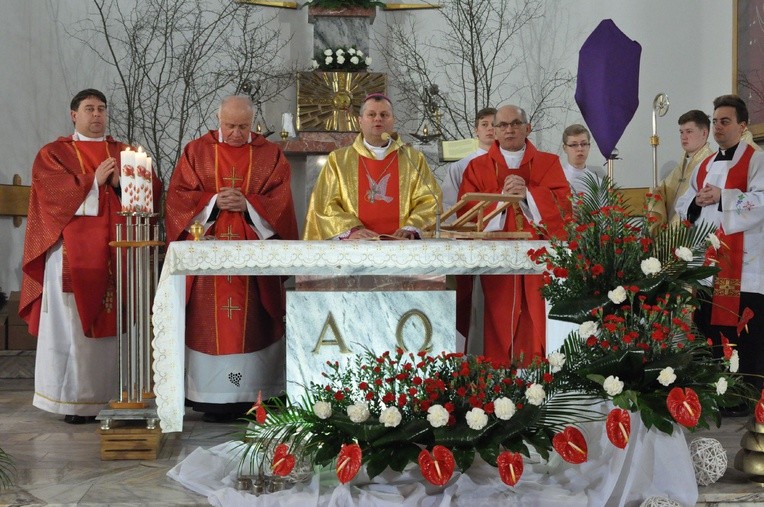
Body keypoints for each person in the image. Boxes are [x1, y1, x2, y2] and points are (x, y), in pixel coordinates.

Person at [19, 89, 162, 424]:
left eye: (101, 109)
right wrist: (92, 181)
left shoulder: (124, 152)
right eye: (89, 109)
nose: (96, 115)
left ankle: (118, 396)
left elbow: (149, 195)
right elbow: (50, 196)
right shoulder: (53, 153)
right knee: (70, 330)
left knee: (120, 325)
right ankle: (72, 402)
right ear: (74, 114)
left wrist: (118, 183)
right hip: (71, 255)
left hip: (121, 254)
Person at [165, 95, 298, 422]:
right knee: (209, 322)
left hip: (252, 260)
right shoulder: (197, 152)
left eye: (243, 126)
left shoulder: (270, 155)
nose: (236, 133)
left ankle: (255, 394)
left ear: (252, 122)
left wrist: (250, 204)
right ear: (218, 120)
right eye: (230, 126)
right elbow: (178, 198)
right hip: (209, 259)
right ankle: (209, 398)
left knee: (251, 321)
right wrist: (211, 202)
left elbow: (281, 203)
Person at [458, 104, 571, 365]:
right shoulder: (477, 167)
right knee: (499, 315)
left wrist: (529, 194)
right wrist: (501, 200)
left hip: (541, 258)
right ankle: (500, 375)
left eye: (516, 124)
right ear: (494, 132)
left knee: (538, 314)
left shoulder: (548, 162)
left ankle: (544, 372)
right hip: (498, 260)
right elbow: (466, 212)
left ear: (527, 128)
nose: (509, 130)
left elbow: (564, 206)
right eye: (502, 125)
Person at [675, 95, 764, 402]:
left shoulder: (756, 160)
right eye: (715, 122)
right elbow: (682, 202)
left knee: (745, 337)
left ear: (742, 125)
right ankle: (711, 396)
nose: (718, 128)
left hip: (745, 266)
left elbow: (761, 201)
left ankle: (745, 398)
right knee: (709, 332)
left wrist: (725, 196)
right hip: (708, 266)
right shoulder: (705, 164)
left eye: (725, 122)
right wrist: (696, 202)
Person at [303, 93, 440, 240]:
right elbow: (325, 203)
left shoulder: (413, 158)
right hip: (356, 247)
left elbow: (430, 200)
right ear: (360, 121)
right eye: (371, 114)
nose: (378, 119)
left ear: (393, 120)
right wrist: (351, 230)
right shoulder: (338, 160)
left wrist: (412, 227)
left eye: (384, 114)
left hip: (402, 245)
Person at [440, 107, 496, 342]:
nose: (490, 129)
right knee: (473, 305)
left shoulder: (511, 161)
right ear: (476, 130)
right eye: (484, 124)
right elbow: (450, 206)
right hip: (471, 244)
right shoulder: (460, 166)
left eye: (495, 124)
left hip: (501, 242)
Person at [651, 110, 713, 226]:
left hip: (691, 233)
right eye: (681, 132)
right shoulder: (682, 165)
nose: (683, 137)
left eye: (689, 131)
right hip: (670, 232)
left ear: (704, 133)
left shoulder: (710, 165)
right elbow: (665, 190)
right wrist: (656, 192)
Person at [561, 123, 605, 198]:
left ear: (589, 146)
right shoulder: (557, 178)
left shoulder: (598, 182)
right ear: (565, 148)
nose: (580, 149)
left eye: (584, 144)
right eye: (574, 145)